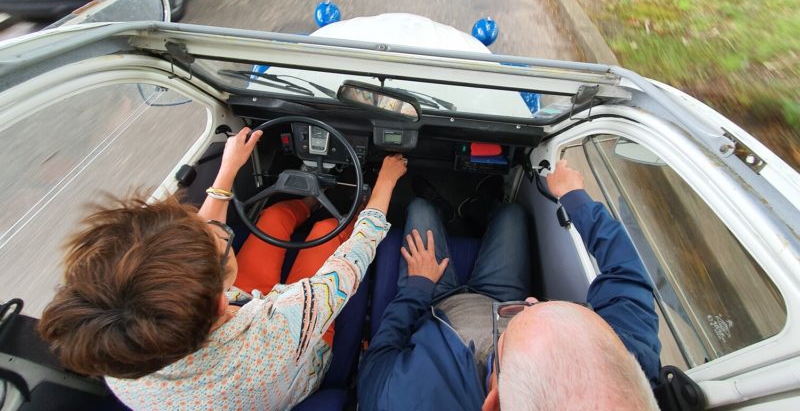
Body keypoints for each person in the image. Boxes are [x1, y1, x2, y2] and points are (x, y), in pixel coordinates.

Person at [38, 127, 408, 410]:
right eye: (214, 245)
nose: (213, 232)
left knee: (275, 216)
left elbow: (201, 244)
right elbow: (354, 257)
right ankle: (340, 208)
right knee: (328, 230)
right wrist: (386, 181)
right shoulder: (279, 330)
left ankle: (310, 199)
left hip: (235, 335)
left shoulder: (118, 356)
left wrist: (227, 170)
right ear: (221, 301)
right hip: (293, 357)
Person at [358, 160, 661, 410]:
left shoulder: (399, 399)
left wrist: (418, 287)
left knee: (421, 208)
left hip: (437, 301)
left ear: (494, 401)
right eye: (541, 307)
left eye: (527, 315)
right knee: (512, 214)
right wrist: (573, 195)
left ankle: (441, 210)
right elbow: (627, 269)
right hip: (499, 297)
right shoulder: (622, 365)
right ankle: (476, 210)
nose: (531, 301)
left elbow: (381, 351)